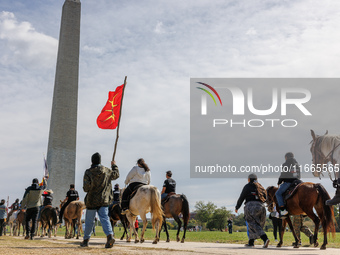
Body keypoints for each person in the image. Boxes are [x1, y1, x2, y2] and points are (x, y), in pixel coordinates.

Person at [80, 152, 119, 248]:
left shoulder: (88, 172)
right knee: (105, 218)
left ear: (92, 161)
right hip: (104, 199)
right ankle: (110, 236)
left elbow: (86, 188)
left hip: (92, 200)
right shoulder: (107, 171)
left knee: (89, 221)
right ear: (100, 161)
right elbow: (116, 174)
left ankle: (85, 241)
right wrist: (114, 165)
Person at [235, 174, 269, 248]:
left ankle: (265, 238)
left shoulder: (247, 186)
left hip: (251, 206)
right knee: (255, 224)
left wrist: (237, 207)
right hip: (261, 206)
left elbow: (242, 197)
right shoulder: (260, 186)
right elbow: (266, 197)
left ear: (249, 179)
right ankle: (251, 242)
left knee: (252, 224)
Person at [275, 152, 300, 216]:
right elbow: (299, 175)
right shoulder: (297, 164)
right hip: (297, 182)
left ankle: (283, 210)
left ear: (286, 157)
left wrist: (279, 182)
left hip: (289, 182)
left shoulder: (286, 164)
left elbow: (283, 174)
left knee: (278, 193)